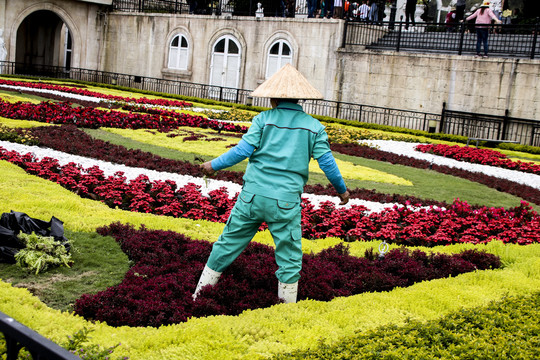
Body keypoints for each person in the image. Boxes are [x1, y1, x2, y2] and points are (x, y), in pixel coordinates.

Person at [192, 64, 350, 304]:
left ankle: (199, 295)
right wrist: (342, 191)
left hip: (252, 197)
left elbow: (242, 151)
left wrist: (211, 165)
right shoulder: (314, 127)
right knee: (289, 256)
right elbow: (328, 164)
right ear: (299, 98)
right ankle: (286, 309)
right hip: (285, 202)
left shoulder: (263, 119)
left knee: (227, 244)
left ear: (272, 98)